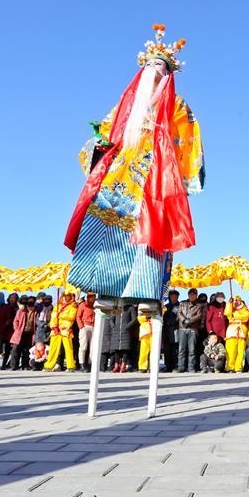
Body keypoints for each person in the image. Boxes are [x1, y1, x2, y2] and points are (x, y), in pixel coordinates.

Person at [64, 24, 204, 413]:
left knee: (149, 241)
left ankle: (145, 295)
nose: (156, 75)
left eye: (163, 70)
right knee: (106, 233)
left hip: (154, 183)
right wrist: (95, 147)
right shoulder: (124, 107)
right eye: (151, 69)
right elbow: (103, 140)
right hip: (118, 182)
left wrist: (184, 179)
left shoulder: (179, 110)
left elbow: (192, 148)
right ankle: (104, 287)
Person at [44, 292, 78, 372]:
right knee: (53, 348)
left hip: (66, 329)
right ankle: (49, 366)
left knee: (68, 348)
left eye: (68, 296)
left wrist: (60, 314)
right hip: (56, 330)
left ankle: (70, 366)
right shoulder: (57, 306)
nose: (66, 298)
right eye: (64, 296)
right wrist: (54, 325)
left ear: (71, 297)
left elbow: (71, 317)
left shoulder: (73, 306)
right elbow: (53, 317)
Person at [176, 288, 202, 373]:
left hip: (193, 329)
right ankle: (181, 367)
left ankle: (191, 367)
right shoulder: (182, 303)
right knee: (181, 349)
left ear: (196, 296)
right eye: (191, 294)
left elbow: (199, 316)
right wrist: (184, 320)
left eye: (194, 294)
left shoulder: (199, 305)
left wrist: (190, 321)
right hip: (182, 328)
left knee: (192, 349)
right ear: (188, 295)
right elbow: (179, 313)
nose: (192, 296)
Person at [224, 296, 249, 373]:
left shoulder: (245, 309)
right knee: (231, 350)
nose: (236, 301)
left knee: (240, 351)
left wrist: (235, 315)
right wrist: (229, 303)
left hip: (242, 331)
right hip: (232, 331)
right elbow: (227, 313)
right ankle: (230, 367)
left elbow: (246, 316)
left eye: (238, 300)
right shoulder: (230, 308)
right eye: (235, 300)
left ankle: (238, 367)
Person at [9, 297, 37, 370]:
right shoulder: (21, 310)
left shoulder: (36, 311)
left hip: (30, 333)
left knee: (27, 350)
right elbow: (16, 321)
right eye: (29, 301)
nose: (31, 303)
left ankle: (25, 365)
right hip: (20, 332)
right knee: (15, 349)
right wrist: (17, 329)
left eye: (32, 301)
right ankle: (14, 366)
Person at [110, 304, 138, 373]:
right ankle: (116, 365)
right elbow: (111, 319)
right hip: (116, 331)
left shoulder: (130, 308)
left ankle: (123, 365)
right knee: (116, 349)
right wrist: (113, 326)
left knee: (125, 349)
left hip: (126, 331)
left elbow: (134, 319)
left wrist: (127, 326)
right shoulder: (117, 307)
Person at [76, 292, 96, 372]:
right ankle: (82, 365)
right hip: (84, 326)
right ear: (88, 297)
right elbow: (78, 316)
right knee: (83, 346)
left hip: (94, 327)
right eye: (92, 297)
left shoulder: (95, 306)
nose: (93, 298)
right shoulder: (83, 305)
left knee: (93, 347)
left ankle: (90, 364)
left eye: (94, 297)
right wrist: (81, 326)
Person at [162, 290, 180, 372]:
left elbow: (179, 317)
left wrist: (172, 322)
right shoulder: (166, 306)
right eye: (172, 296)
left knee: (175, 349)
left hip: (176, 329)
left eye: (176, 296)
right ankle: (167, 366)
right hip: (166, 330)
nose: (174, 298)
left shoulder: (180, 306)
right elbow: (162, 316)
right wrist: (167, 321)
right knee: (167, 349)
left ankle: (175, 365)